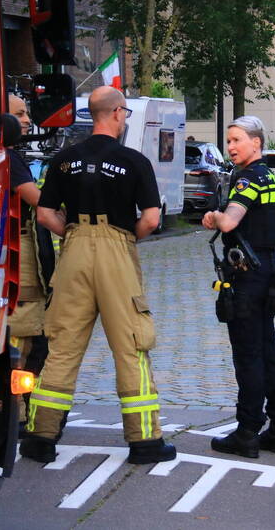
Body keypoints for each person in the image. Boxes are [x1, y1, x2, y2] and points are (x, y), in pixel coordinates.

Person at [21, 86, 176, 465]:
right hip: (116, 253)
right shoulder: (134, 161)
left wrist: (73, 235)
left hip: (73, 251)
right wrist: (124, 240)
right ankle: (144, 442)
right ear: (119, 113)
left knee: (61, 346)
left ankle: (40, 438)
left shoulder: (64, 160)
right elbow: (152, 219)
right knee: (131, 344)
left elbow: (44, 214)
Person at [202, 116, 275, 458]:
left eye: (237, 140)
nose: (231, 147)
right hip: (268, 270)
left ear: (256, 142)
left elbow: (229, 221)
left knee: (248, 355)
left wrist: (213, 216)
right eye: (229, 141)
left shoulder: (248, 179)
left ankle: (247, 432)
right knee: (268, 350)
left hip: (247, 275)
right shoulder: (269, 177)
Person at [6, 94, 53, 427]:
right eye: (19, 114)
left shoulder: (5, 156)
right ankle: (18, 412)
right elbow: (36, 200)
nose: (26, 119)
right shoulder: (9, 159)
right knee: (26, 337)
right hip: (20, 259)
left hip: (20, 254)